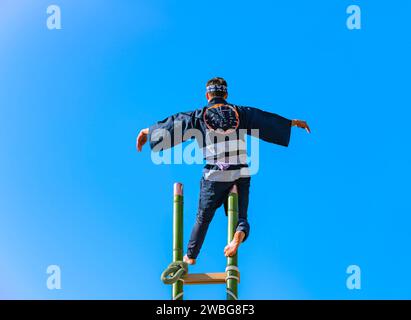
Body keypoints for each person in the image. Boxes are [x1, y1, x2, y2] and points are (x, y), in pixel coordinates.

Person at [136, 77, 310, 265]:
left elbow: (174, 123)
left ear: (207, 95)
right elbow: (263, 118)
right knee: (240, 217)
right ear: (225, 94)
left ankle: (190, 256)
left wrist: (147, 132)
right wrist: (291, 123)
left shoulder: (197, 115)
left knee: (203, 217)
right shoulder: (240, 112)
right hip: (241, 172)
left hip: (215, 174)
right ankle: (238, 235)